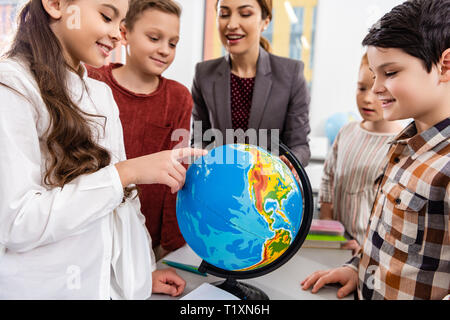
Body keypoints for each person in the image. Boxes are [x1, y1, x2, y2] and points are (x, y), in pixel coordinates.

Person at [0, 0, 206, 299]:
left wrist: (142, 273)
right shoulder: (12, 86)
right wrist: (124, 173)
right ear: (57, 5)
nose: (116, 33)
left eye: (119, 22)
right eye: (107, 16)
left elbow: (123, 208)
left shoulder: (100, 94)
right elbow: (18, 224)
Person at [302, 0, 450, 300]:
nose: (377, 87)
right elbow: (389, 244)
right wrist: (357, 268)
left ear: (444, 66)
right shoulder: (403, 148)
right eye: (373, 74)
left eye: (390, 73)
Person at [87, 0, 190, 261]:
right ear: (124, 33)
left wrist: (170, 245)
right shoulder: (92, 80)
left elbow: (179, 174)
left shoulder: (179, 98)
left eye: (173, 43)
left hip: (148, 240)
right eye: (154, 38)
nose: (165, 50)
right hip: (92, 231)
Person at [191, 0, 311, 167]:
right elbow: (199, 138)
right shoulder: (203, 74)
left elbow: (300, 146)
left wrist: (288, 163)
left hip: (269, 184)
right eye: (224, 14)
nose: (232, 24)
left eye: (245, 14)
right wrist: (202, 157)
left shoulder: (291, 74)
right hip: (221, 181)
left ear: (265, 21)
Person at [319, 53, 403, 254]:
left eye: (377, 92)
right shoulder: (346, 132)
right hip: (336, 245)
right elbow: (328, 181)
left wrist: (366, 251)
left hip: (370, 252)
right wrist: (329, 230)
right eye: (362, 88)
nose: (367, 99)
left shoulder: (402, 146)